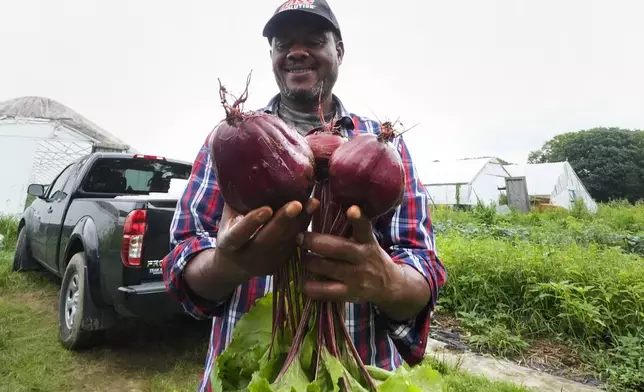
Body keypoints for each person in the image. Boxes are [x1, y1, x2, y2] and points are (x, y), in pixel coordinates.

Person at [161, 1, 447, 390]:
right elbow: (182, 260)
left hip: (356, 370)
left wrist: (388, 281)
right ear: (273, 57)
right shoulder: (226, 141)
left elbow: (422, 265)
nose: (296, 52)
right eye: (283, 44)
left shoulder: (383, 146)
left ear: (339, 51)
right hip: (246, 374)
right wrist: (230, 264)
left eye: (313, 40)